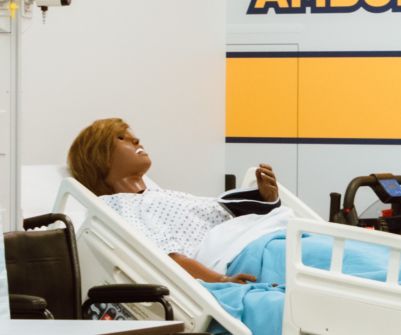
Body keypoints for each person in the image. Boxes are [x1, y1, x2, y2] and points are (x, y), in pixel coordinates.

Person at [65, 117, 281, 284]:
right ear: (98, 158)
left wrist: (263, 199)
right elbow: (165, 256)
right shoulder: (118, 205)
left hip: (260, 240)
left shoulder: (160, 195)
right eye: (120, 138)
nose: (136, 140)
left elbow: (215, 212)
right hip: (246, 255)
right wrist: (221, 281)